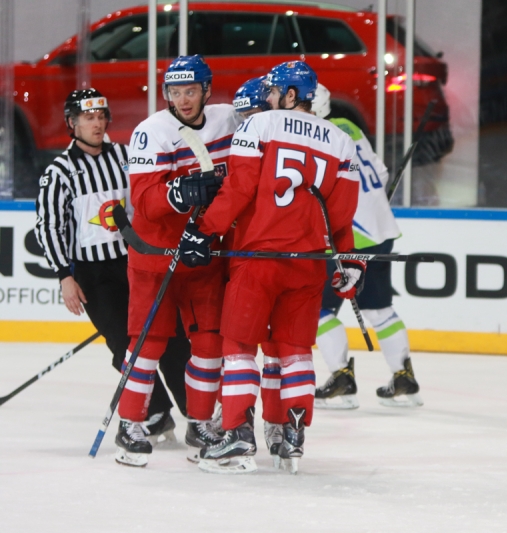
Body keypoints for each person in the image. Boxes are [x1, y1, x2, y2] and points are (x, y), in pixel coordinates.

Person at [177, 61, 361, 474]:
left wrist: (205, 230)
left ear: (291, 95)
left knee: (238, 346)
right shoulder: (341, 141)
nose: (269, 99)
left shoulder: (260, 127)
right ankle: (291, 435)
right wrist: (349, 263)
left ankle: (238, 434)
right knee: (295, 350)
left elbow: (239, 189)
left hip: (258, 257)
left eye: (275, 92)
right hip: (309, 263)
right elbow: (341, 216)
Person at [34, 88, 191, 446]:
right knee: (125, 348)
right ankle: (155, 411)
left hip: (140, 262)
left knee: (170, 341)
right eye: (88, 117)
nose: (97, 122)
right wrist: (64, 276)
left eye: (101, 116)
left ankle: (196, 416)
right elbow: (49, 225)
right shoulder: (60, 171)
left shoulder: (125, 156)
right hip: (96, 276)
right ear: (72, 123)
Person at [114, 55, 238, 467]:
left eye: (189, 91)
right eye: (174, 92)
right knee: (148, 343)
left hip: (204, 254)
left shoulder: (228, 119)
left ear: (206, 89)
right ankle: (131, 423)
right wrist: (180, 192)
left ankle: (199, 422)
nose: (182, 100)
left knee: (209, 342)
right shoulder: (152, 132)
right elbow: (145, 202)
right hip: (157, 257)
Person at [310, 84, 422, 409]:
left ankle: (341, 382)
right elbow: (382, 173)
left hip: (347, 236)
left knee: (318, 308)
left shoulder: (316, 136)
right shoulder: (349, 127)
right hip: (379, 229)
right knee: (378, 308)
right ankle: (404, 379)